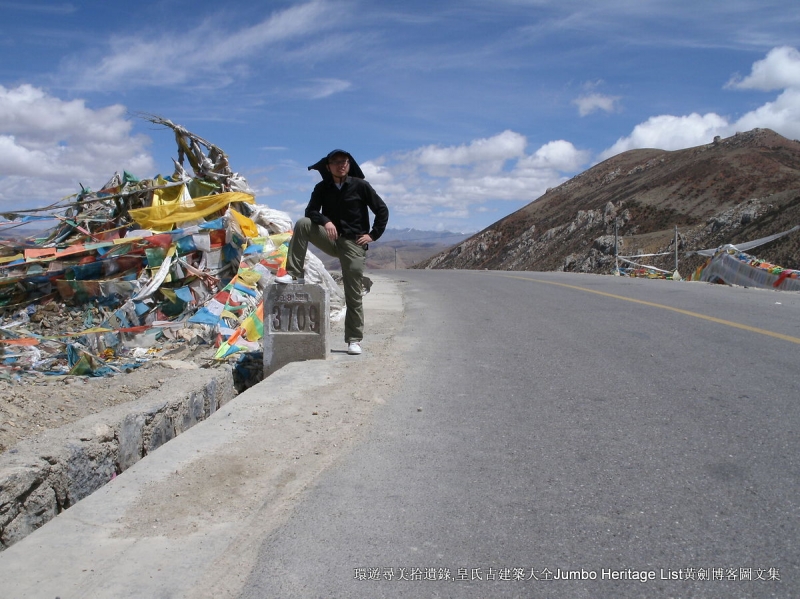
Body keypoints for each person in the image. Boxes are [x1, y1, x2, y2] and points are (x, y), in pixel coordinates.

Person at [276, 149, 389, 355]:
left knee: (353, 293)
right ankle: (294, 274)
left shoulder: (360, 186)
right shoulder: (322, 187)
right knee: (303, 223)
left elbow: (382, 210)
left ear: (349, 164)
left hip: (354, 243)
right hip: (331, 238)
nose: (341, 165)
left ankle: (354, 339)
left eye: (344, 161)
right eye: (336, 162)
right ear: (328, 167)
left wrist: (373, 235)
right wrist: (325, 221)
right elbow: (310, 211)